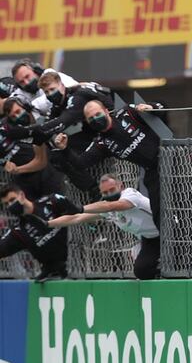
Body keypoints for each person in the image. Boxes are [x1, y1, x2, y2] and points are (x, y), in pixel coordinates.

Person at [51, 100, 163, 229]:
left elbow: (162, 107)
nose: (95, 119)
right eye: (91, 118)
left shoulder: (127, 113)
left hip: (168, 158)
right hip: (152, 171)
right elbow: (81, 163)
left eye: (98, 114)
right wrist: (65, 149)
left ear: (106, 111)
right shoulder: (102, 143)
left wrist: (152, 106)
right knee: (159, 216)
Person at [47, 173, 160, 279]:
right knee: (141, 271)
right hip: (149, 239)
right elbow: (76, 217)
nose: (109, 194)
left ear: (121, 186)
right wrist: (47, 224)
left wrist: (80, 208)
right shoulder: (107, 207)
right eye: (105, 193)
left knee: (174, 260)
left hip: (165, 233)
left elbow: (114, 206)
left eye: (112, 190)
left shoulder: (130, 194)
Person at [0, 183, 82, 281]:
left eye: (12, 200)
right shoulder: (18, 231)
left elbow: (80, 213)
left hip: (79, 267)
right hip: (52, 276)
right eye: (6, 204)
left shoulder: (51, 202)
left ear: (21, 195)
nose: (10, 205)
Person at [1, 105, 64, 200]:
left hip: (43, 169)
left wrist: (17, 169)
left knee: (60, 206)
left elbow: (35, 130)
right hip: (23, 179)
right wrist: (5, 164)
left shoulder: (6, 126)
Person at [10, 59, 78, 118]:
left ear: (36, 71)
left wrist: (31, 106)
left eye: (27, 76)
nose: (27, 82)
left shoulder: (50, 74)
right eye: (22, 82)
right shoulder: (20, 93)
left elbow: (70, 89)